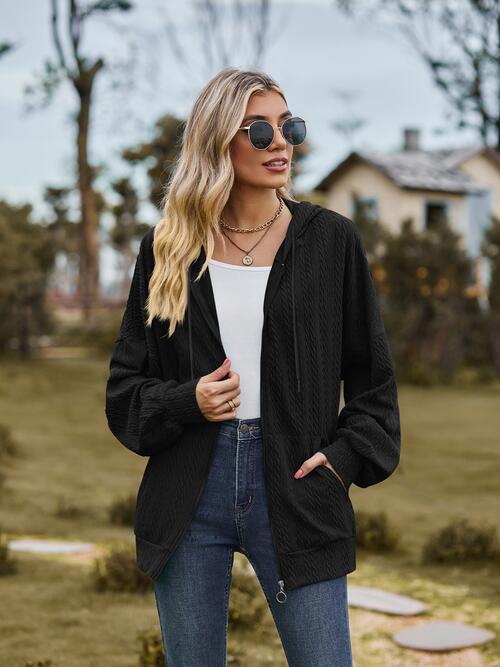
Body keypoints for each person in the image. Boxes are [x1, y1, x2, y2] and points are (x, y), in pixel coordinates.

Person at [105, 67, 401, 666]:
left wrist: (343, 460)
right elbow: (125, 390)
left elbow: (373, 381)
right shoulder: (168, 249)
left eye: (289, 126)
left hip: (298, 482)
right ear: (219, 140)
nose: (281, 142)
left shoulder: (331, 242)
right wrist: (187, 401)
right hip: (190, 491)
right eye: (260, 130)